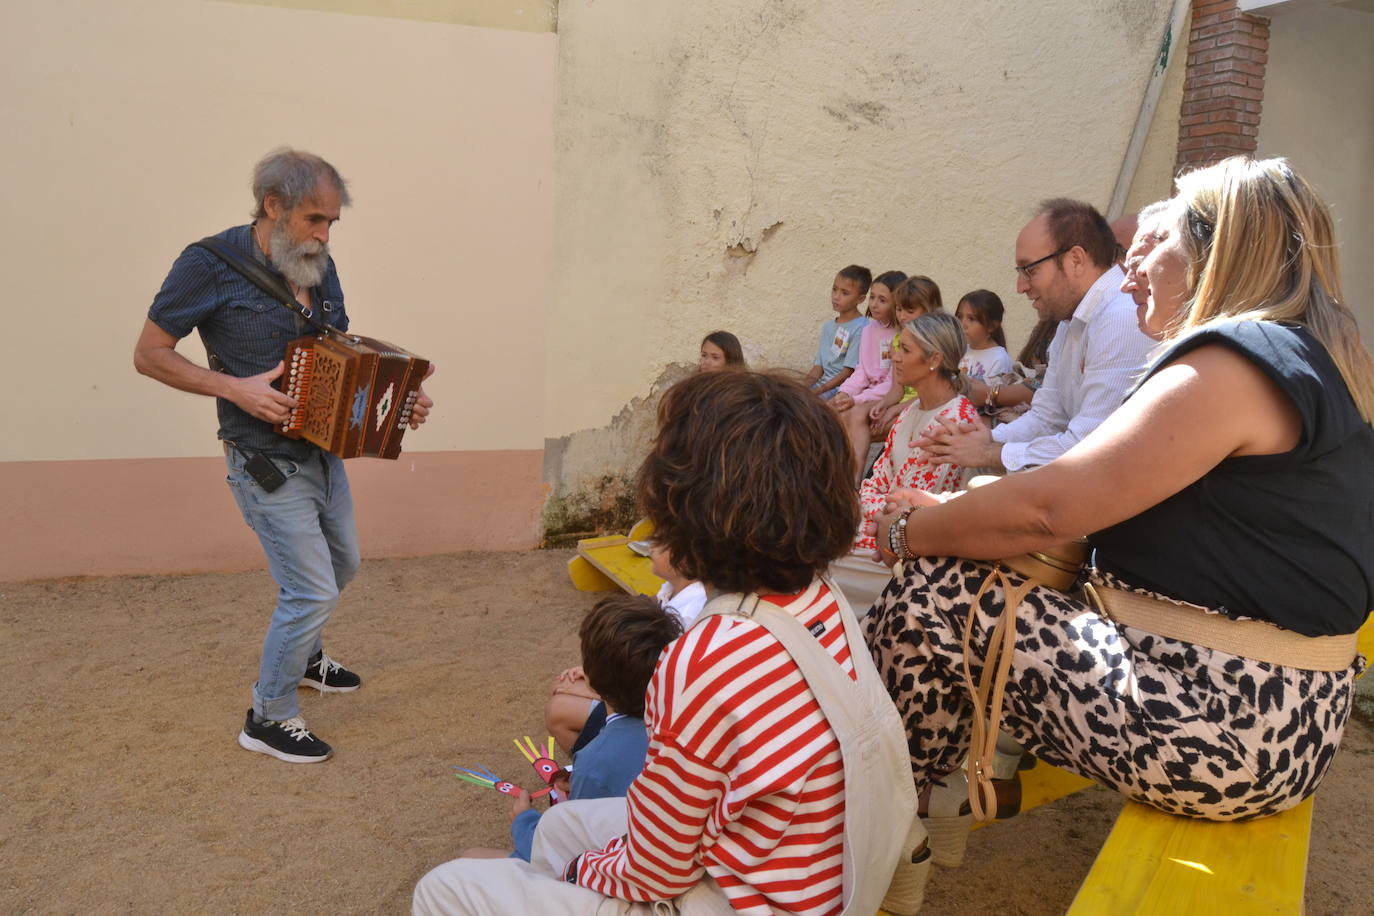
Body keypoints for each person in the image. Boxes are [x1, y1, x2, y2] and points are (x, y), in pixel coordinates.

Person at [867, 157, 1374, 831]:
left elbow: (1053, 509)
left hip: (1229, 727)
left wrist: (909, 533)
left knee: (930, 594)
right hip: (1265, 714)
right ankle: (921, 817)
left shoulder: (1233, 362)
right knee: (977, 586)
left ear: (1211, 254)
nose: (1130, 270)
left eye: (1153, 246)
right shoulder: (1289, 355)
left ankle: (881, 821)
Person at [415, 370, 921, 916]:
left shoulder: (705, 655)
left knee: (446, 888)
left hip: (750, 898)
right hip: (815, 870)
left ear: (686, 501)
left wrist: (578, 874)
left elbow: (658, 868)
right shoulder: (821, 595)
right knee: (559, 823)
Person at [133, 148, 433, 763]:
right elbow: (149, 354)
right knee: (310, 587)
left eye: (331, 223)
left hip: (324, 453)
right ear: (273, 205)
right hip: (262, 460)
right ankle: (268, 716)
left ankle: (305, 658)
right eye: (314, 220)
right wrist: (232, 387)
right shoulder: (207, 263)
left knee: (343, 566)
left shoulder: (318, 263)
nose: (324, 235)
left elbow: (339, 345)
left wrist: (398, 394)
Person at [922, 198, 1154, 473]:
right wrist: (987, 438)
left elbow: (1089, 446)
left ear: (1075, 260)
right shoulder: (1071, 322)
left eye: (1030, 270)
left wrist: (989, 451)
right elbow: (1047, 417)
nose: (1021, 286)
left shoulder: (1120, 316)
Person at [458, 594, 682, 863]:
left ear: (592, 677)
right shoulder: (685, 723)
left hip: (624, 879)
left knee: (470, 858)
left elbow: (569, 851)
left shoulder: (597, 759)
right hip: (675, 857)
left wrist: (524, 822)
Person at [831, 312, 978, 608]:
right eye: (898, 347)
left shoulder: (954, 421)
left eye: (905, 350)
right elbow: (875, 484)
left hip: (913, 556)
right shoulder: (909, 412)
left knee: (818, 560)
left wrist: (870, 512)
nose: (895, 357)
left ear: (934, 359)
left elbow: (905, 505)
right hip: (882, 533)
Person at [545, 542, 705, 756]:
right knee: (564, 686)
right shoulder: (671, 589)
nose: (651, 546)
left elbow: (661, 687)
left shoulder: (690, 613)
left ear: (683, 561)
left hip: (651, 708)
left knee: (558, 710)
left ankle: (600, 769)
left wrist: (598, 684)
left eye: (661, 542)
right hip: (641, 690)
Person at [831, 270, 908, 485]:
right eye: (872, 297)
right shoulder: (869, 329)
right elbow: (863, 370)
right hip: (870, 393)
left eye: (882, 300)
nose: (874, 304)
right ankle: (836, 474)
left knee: (854, 413)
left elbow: (892, 384)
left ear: (896, 304)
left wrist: (857, 399)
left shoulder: (900, 335)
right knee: (834, 411)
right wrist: (845, 392)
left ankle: (854, 479)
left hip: (888, 395)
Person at [868, 275, 945, 439]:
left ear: (930, 309)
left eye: (910, 311)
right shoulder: (897, 341)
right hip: (905, 405)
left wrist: (896, 409)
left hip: (930, 410)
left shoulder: (937, 346)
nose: (902, 317)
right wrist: (884, 404)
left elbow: (935, 393)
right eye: (898, 309)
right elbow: (897, 389)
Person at [804, 264, 871, 400]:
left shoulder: (862, 328)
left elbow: (848, 372)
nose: (836, 297)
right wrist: (802, 388)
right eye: (834, 290)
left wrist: (818, 392)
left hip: (840, 388)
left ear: (860, 299)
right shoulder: (828, 327)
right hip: (822, 385)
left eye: (844, 293)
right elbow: (818, 367)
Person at [954, 290, 1014, 381]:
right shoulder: (961, 351)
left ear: (991, 326)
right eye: (960, 316)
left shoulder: (999, 359)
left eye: (971, 319)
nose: (962, 324)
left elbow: (994, 393)